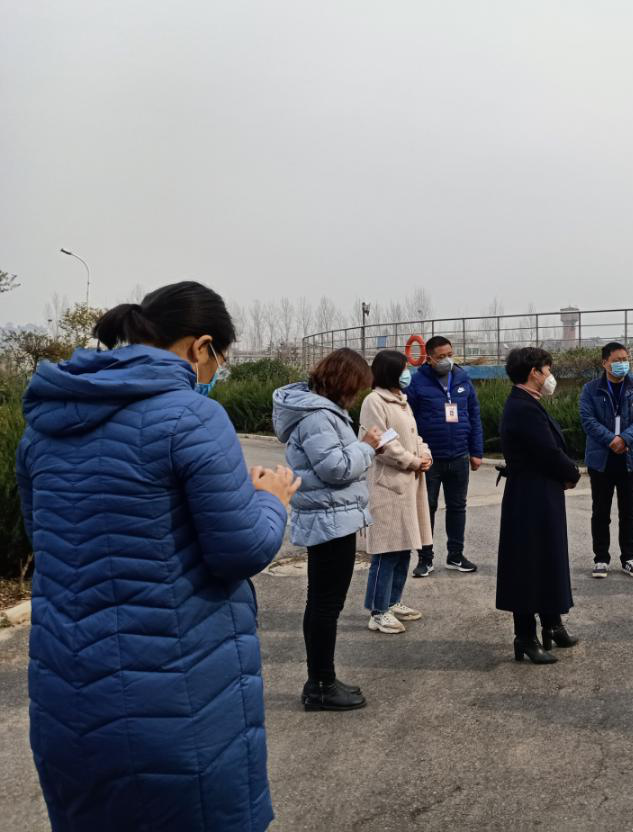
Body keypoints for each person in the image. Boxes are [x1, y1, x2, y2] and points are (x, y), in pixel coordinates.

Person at [16, 282, 299, 832]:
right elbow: (241, 549)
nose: (216, 370)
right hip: (175, 699)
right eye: (219, 359)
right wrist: (271, 499)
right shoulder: (191, 416)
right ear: (202, 347)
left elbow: (52, 539)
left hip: (67, 700)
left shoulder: (44, 426)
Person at [274, 348, 382, 712]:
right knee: (325, 605)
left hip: (332, 516)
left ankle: (322, 679)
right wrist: (367, 448)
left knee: (323, 603)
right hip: (329, 520)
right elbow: (335, 469)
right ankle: (320, 684)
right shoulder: (318, 417)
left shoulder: (322, 412)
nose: (357, 395)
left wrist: (363, 450)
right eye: (357, 387)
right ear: (344, 382)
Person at [496, 347, 582, 664]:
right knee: (528, 564)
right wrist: (572, 473)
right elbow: (546, 451)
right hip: (529, 496)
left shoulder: (529, 403)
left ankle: (552, 624)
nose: (550, 376)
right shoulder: (522, 407)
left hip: (542, 493)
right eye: (547, 370)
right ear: (534, 372)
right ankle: (525, 637)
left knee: (548, 558)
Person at [359, 350, 433, 634]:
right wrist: (413, 461)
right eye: (403, 368)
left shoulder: (401, 400)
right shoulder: (374, 401)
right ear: (390, 371)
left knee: (403, 547)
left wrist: (425, 454)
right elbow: (382, 444)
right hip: (387, 487)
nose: (407, 373)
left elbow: (414, 436)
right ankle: (378, 611)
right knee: (386, 550)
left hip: (408, 484)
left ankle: (392, 601)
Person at [404, 335, 484, 576]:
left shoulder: (462, 378)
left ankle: (456, 556)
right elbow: (408, 421)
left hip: (459, 455)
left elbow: (474, 415)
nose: (447, 360)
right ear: (429, 358)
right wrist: (415, 454)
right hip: (430, 459)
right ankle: (425, 559)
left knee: (458, 507)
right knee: (427, 508)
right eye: (441, 357)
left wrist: (476, 451)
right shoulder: (417, 383)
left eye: (450, 355)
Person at [579, 341, 633, 579]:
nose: (622, 364)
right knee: (600, 511)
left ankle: (629, 557)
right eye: (617, 360)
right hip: (601, 459)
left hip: (630, 458)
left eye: (625, 359)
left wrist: (625, 439)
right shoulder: (591, 389)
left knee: (629, 511)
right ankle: (601, 558)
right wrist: (611, 440)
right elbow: (588, 420)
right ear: (605, 363)